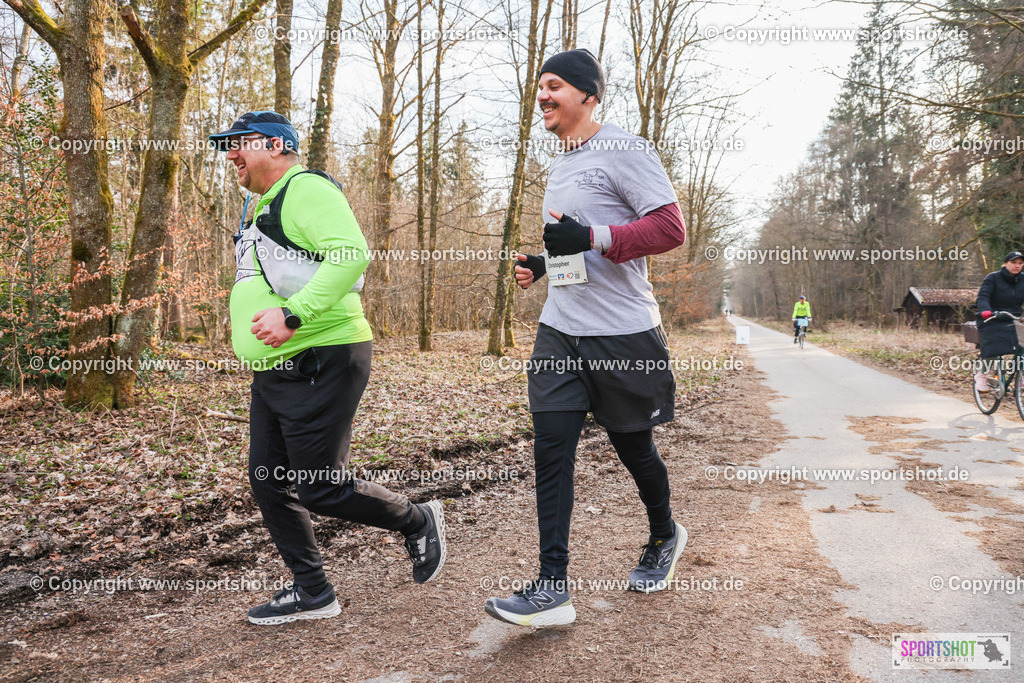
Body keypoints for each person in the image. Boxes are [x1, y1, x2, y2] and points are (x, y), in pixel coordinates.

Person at [210, 111, 446, 625]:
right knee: (269, 481)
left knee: (319, 485)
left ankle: (416, 519)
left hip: (322, 355)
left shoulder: (306, 189)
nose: (230, 155)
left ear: (275, 145)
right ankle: (313, 590)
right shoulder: (261, 203)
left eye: (238, 144)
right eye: (224, 146)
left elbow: (351, 255)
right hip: (277, 368)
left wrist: (294, 315)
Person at [484, 49, 688, 627]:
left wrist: (592, 235)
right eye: (539, 87)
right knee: (550, 450)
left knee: (633, 447)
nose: (542, 97)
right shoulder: (561, 161)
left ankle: (664, 532)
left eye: (553, 86)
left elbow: (669, 229)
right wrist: (546, 262)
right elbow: (574, 238)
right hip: (561, 331)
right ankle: (552, 588)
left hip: (623, 334)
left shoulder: (625, 149)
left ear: (588, 95)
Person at [974, 251, 1024, 392]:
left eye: (1020, 263)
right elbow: (983, 296)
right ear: (1006, 263)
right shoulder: (993, 278)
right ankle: (981, 375)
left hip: (1013, 318)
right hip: (991, 318)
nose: (1017, 266)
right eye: (1014, 262)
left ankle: (1022, 375)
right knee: (993, 347)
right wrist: (985, 310)